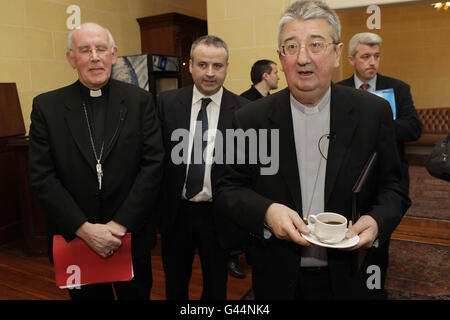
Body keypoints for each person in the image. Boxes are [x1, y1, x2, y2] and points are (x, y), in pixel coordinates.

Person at [214, 0, 410, 300]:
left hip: (353, 275)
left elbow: (394, 187)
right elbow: (228, 188)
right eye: (291, 47)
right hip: (278, 275)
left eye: (315, 45)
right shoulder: (248, 118)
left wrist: (376, 221)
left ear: (337, 54)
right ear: (280, 57)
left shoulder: (374, 112)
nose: (303, 58)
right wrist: (267, 211)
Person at [29, 22, 164, 300]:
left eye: (101, 49)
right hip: (76, 239)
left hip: (130, 238)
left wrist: (119, 225)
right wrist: (84, 229)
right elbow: (42, 177)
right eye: (84, 50)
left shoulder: (140, 101)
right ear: (71, 59)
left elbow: (153, 166)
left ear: (113, 55)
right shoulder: (47, 107)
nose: (94, 57)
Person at [157, 35, 249, 299]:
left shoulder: (244, 110)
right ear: (190, 65)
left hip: (219, 216)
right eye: (203, 64)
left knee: (216, 286)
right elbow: (157, 160)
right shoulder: (166, 102)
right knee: (175, 283)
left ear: (227, 66)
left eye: (217, 66)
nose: (210, 73)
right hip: (177, 213)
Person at [337, 32, 422, 195]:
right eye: (366, 57)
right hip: (350, 173)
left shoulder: (399, 89)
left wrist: (378, 125)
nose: (372, 62)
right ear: (351, 60)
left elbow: (413, 129)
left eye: (376, 56)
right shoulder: (339, 91)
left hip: (389, 172)